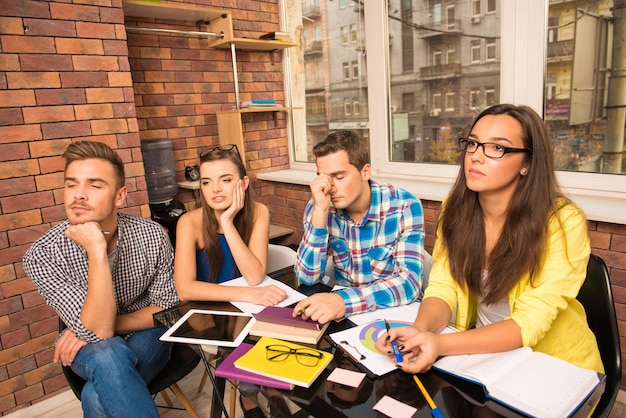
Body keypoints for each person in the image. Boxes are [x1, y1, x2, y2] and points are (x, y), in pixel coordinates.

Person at [375, 104, 603, 376]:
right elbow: (444, 285)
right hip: (481, 354)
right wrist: (420, 330)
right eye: (473, 143)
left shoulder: (563, 223)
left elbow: (528, 322)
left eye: (497, 148)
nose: (476, 157)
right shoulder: (455, 208)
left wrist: (441, 343)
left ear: (527, 164)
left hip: (551, 365)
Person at [23, 140, 179, 417]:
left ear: (119, 196)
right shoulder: (43, 254)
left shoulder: (152, 235)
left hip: (149, 334)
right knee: (107, 351)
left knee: (96, 398)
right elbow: (98, 335)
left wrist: (94, 327)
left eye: (94, 186)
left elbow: (167, 310)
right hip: (91, 351)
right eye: (71, 184)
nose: (78, 195)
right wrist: (97, 251)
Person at [173, 144, 288, 418]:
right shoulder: (188, 222)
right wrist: (247, 295)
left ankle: (271, 394)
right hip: (208, 313)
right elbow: (185, 289)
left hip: (248, 310)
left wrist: (227, 223)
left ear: (244, 183)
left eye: (225, 180)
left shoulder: (258, 212)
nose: (215, 190)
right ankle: (254, 400)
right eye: (206, 182)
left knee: (283, 337)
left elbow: (253, 275)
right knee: (242, 340)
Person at [293, 131, 425, 324]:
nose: (330, 188)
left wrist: (343, 301)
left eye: (338, 177)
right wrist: (320, 212)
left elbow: (410, 283)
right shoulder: (319, 205)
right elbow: (307, 278)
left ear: (365, 172)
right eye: (323, 177)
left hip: (391, 314)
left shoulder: (403, 206)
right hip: (344, 317)